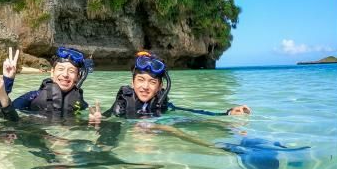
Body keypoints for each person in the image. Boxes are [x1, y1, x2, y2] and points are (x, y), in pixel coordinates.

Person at [88, 51, 251, 122]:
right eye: (140, 80)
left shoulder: (161, 103)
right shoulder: (123, 103)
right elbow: (108, 117)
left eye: (152, 82)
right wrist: (99, 119)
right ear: (132, 82)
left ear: (160, 87)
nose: (145, 86)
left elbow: (192, 114)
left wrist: (226, 114)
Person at [11, 47, 91, 117]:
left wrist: (94, 122)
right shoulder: (33, 96)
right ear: (52, 72)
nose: (65, 74)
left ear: (78, 77)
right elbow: (6, 111)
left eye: (71, 71)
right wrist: (8, 80)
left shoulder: (81, 104)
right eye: (61, 69)